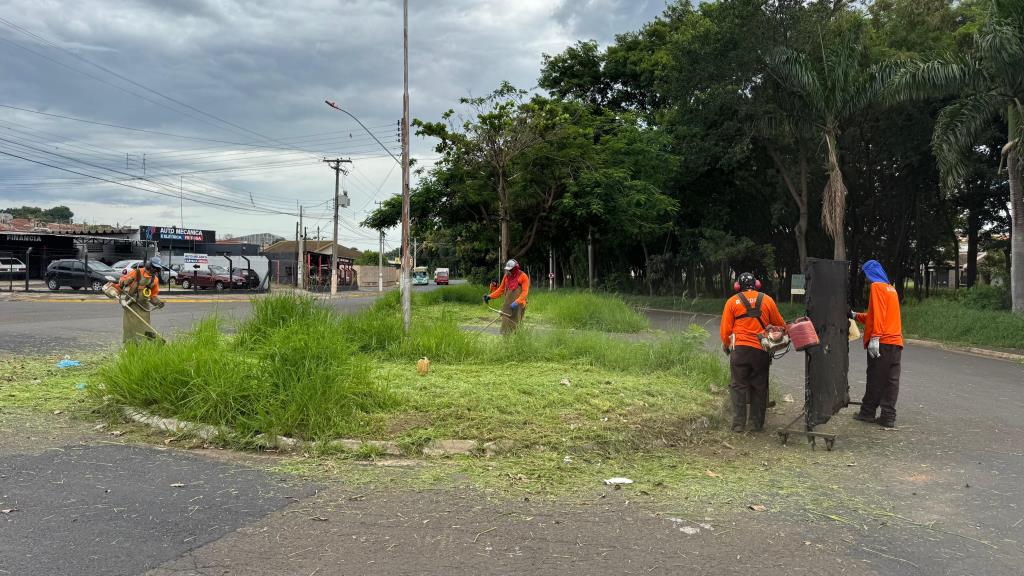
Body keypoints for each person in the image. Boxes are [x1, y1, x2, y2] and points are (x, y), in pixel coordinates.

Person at [720, 272, 786, 432]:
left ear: (737, 287)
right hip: (760, 350)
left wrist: (727, 345)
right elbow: (781, 325)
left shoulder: (731, 302)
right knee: (759, 386)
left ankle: (738, 425)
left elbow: (725, 331)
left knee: (738, 386)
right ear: (756, 285)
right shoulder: (767, 300)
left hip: (740, 351)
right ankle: (756, 424)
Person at [850, 260, 903, 428]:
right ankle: (888, 416)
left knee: (875, 377)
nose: (866, 280)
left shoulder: (877, 287)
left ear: (871, 274)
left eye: (866, 275)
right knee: (891, 380)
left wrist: (875, 338)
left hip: (883, 342)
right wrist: (854, 315)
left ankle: (867, 412)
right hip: (895, 342)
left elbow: (879, 316)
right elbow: (875, 316)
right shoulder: (891, 289)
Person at [116, 256, 165, 343]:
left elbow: (153, 296)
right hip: (131, 304)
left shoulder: (155, 280)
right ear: (149, 265)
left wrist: (158, 302)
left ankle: (144, 345)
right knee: (130, 327)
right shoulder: (138, 272)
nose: (155, 271)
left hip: (143, 307)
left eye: (157, 269)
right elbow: (122, 281)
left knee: (144, 327)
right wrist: (126, 281)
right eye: (154, 268)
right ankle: (129, 345)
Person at [483, 259, 529, 334]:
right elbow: (500, 289)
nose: (509, 271)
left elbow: (525, 292)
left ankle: (518, 341)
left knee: (516, 325)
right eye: (508, 270)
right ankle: (505, 342)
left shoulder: (523, 276)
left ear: (516, 268)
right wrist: (490, 296)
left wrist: (517, 302)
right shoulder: (506, 276)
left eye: (511, 270)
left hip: (518, 305)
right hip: (507, 304)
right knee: (505, 324)